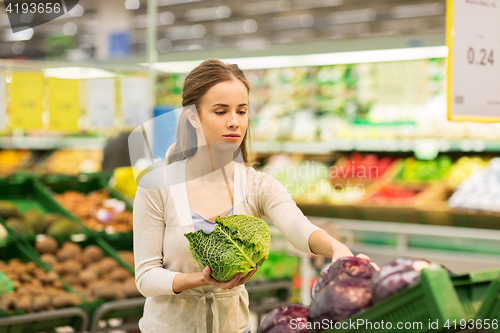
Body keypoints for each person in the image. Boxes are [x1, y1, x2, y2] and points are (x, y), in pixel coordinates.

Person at [133, 59, 375, 333]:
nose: (234, 122)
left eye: (242, 111)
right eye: (221, 111)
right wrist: (198, 280)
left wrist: (336, 249)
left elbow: (298, 227)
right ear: (193, 116)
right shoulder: (157, 186)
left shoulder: (256, 185)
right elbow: (146, 277)